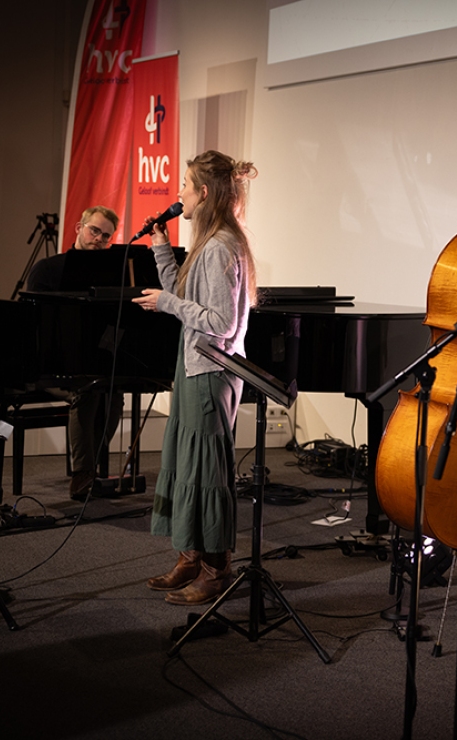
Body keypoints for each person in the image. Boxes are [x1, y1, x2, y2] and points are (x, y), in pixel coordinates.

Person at [132, 150, 257, 606]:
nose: (179, 192)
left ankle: (215, 569)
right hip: (192, 367)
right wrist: (162, 247)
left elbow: (220, 322)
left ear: (204, 193)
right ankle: (190, 556)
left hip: (210, 372)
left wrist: (166, 304)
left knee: (207, 473)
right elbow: (183, 294)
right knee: (187, 468)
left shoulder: (222, 245)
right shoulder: (209, 242)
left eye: (185, 184)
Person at [26, 205, 125, 501]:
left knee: (115, 392)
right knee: (89, 389)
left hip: (91, 360)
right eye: (94, 230)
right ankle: (83, 474)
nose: (99, 239)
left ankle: (90, 464)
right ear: (78, 228)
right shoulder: (47, 268)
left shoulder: (110, 276)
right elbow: (36, 324)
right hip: (50, 362)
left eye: (106, 236)